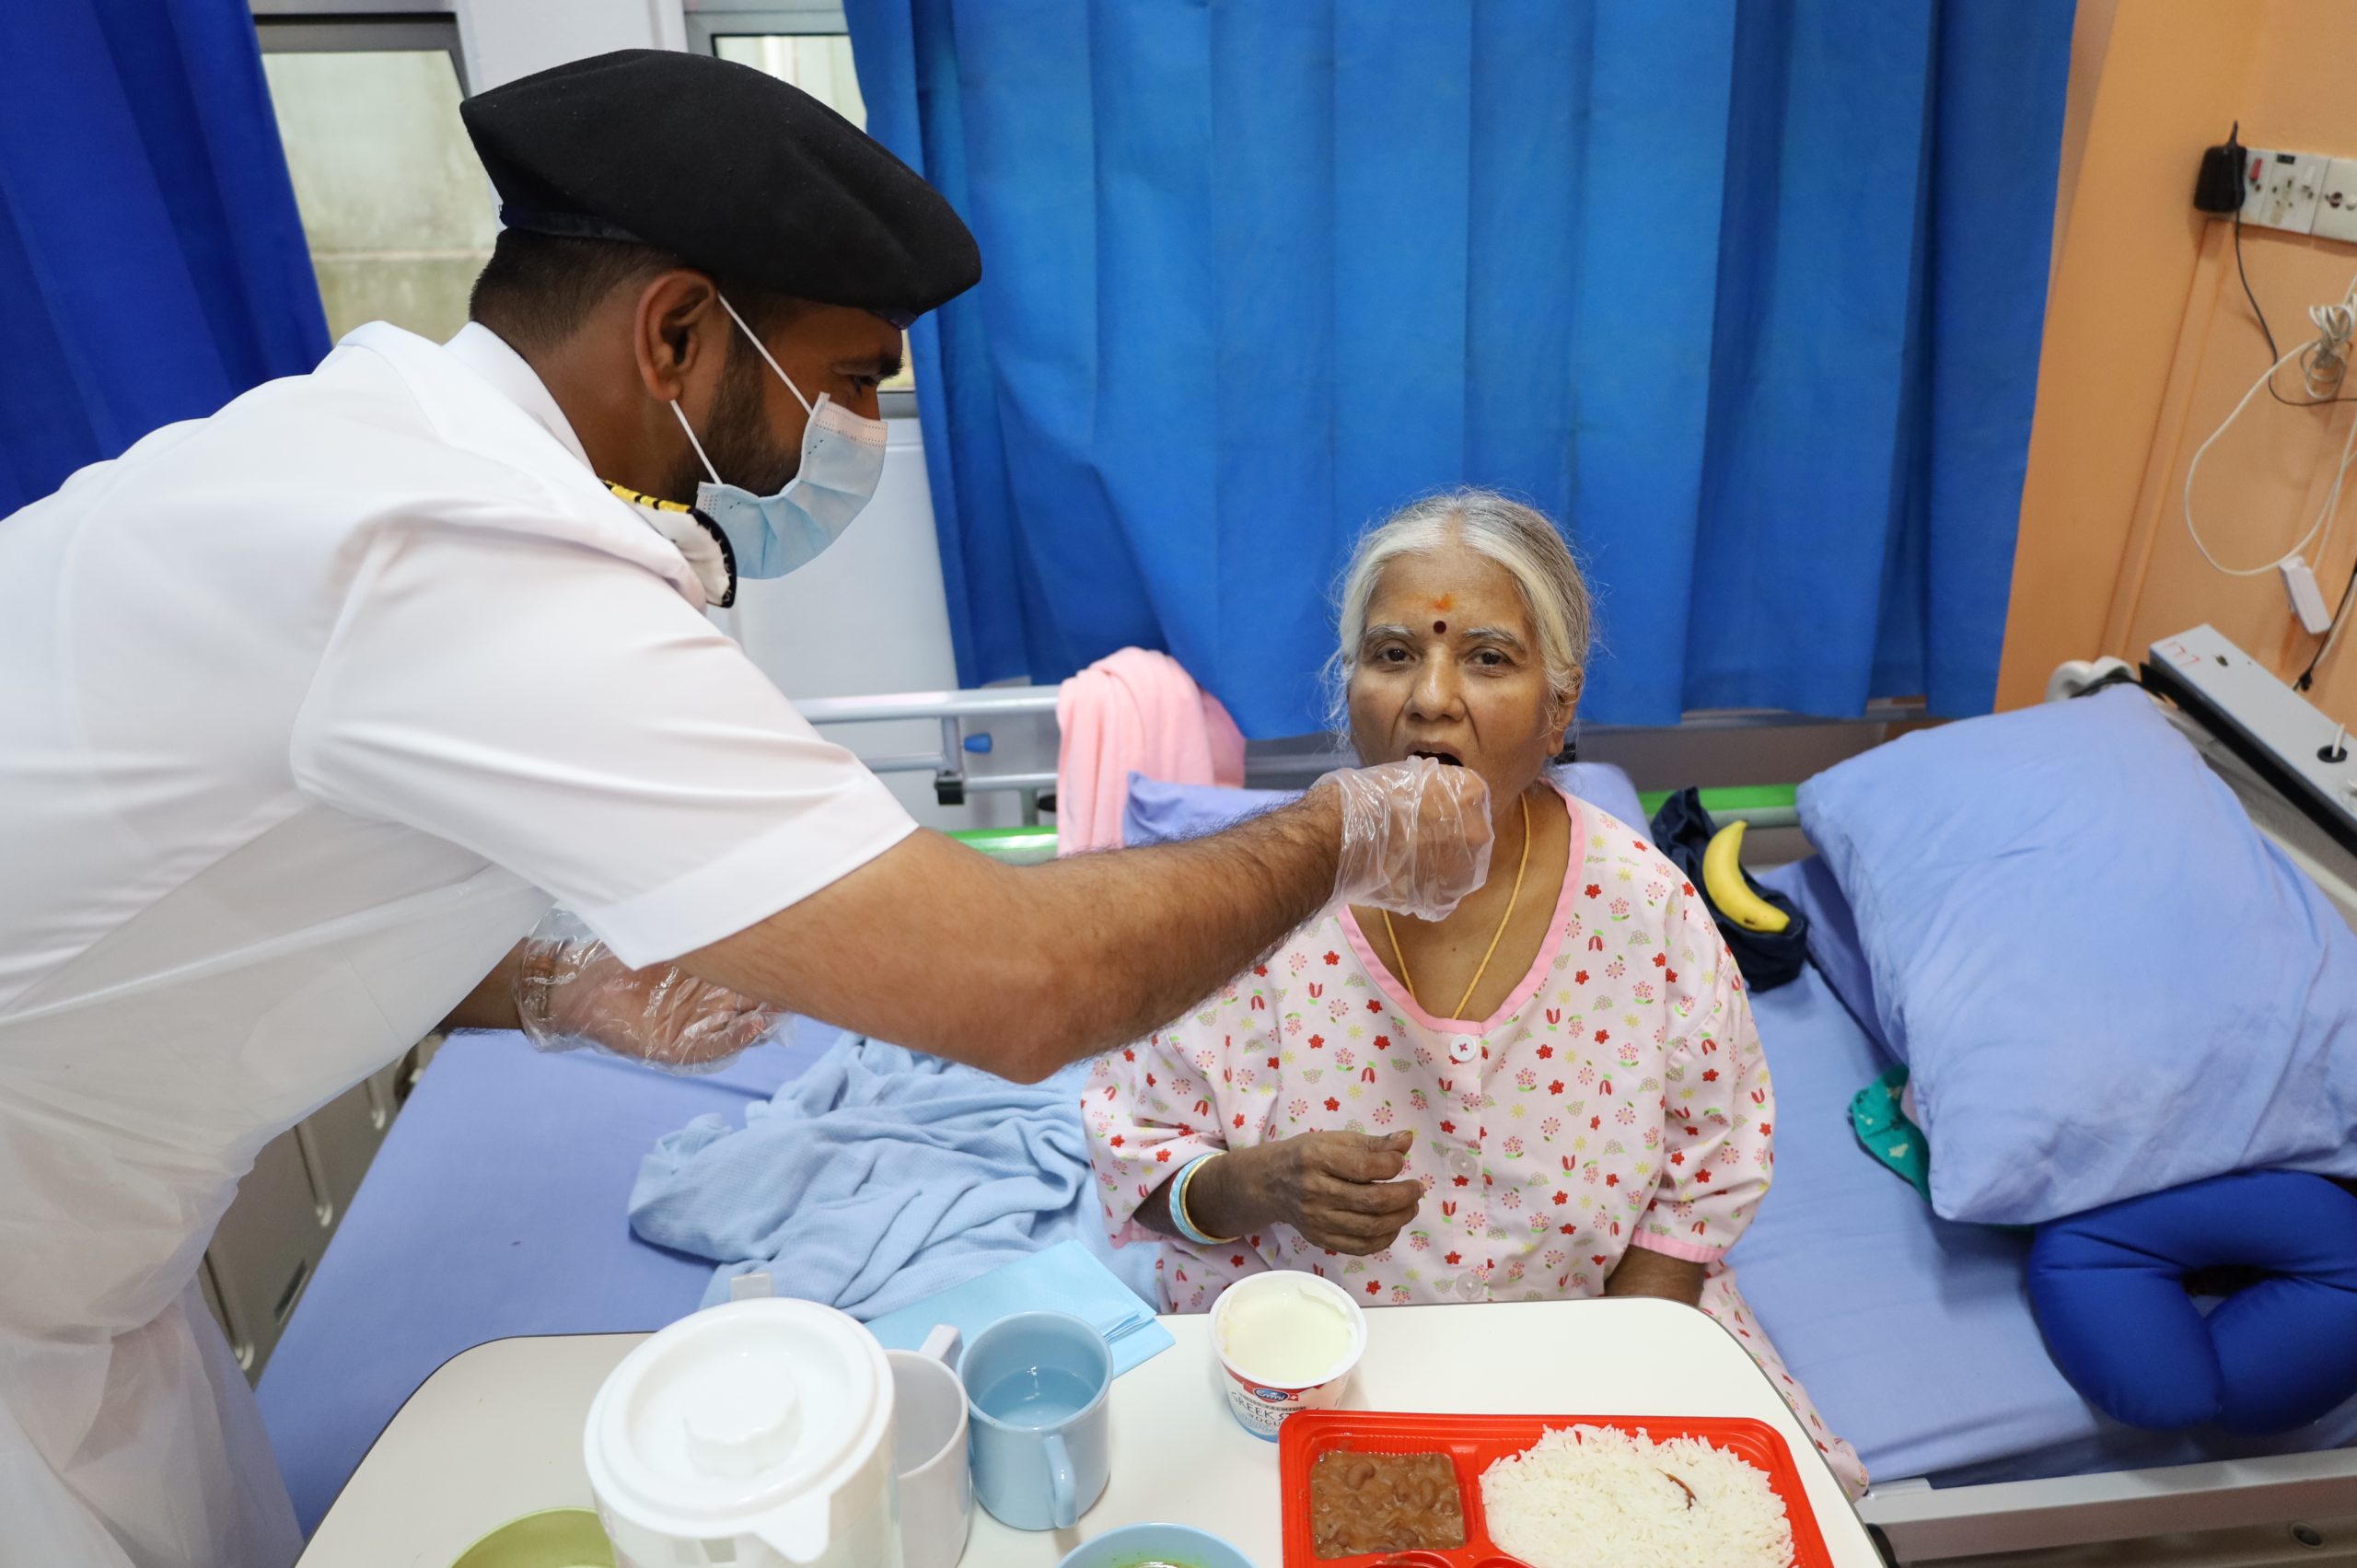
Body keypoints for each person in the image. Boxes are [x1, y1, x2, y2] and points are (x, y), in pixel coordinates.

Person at [0, 51, 1492, 1568]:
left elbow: (262, 878)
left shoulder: (372, 456)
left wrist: (553, 987)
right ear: (676, 331)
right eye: (848, 380)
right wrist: (1339, 828)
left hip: (85, 1261)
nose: (849, 429)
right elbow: (1033, 989)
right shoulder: (459, 557)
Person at [1084, 488, 1867, 1496]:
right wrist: (1257, 1185)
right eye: (1394, 652)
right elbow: (1139, 1155)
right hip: (1309, 1364)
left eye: (1487, 657)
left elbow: (1697, 1188)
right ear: (1349, 685)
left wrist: (1584, 1417)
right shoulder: (1246, 907)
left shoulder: (1648, 916)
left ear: (1560, 705)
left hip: (1592, 1334)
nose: (1429, 699)